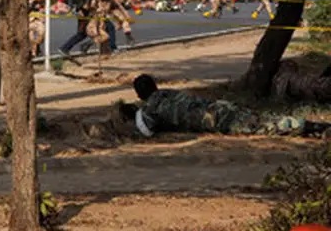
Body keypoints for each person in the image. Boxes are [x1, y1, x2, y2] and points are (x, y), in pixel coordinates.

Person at [124, 74, 326, 137]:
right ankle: (312, 126)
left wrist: (134, 114)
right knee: (266, 120)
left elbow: (146, 131)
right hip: (220, 107)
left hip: (216, 120)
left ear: (139, 94)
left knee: (268, 127)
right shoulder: (168, 93)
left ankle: (313, 128)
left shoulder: (151, 110)